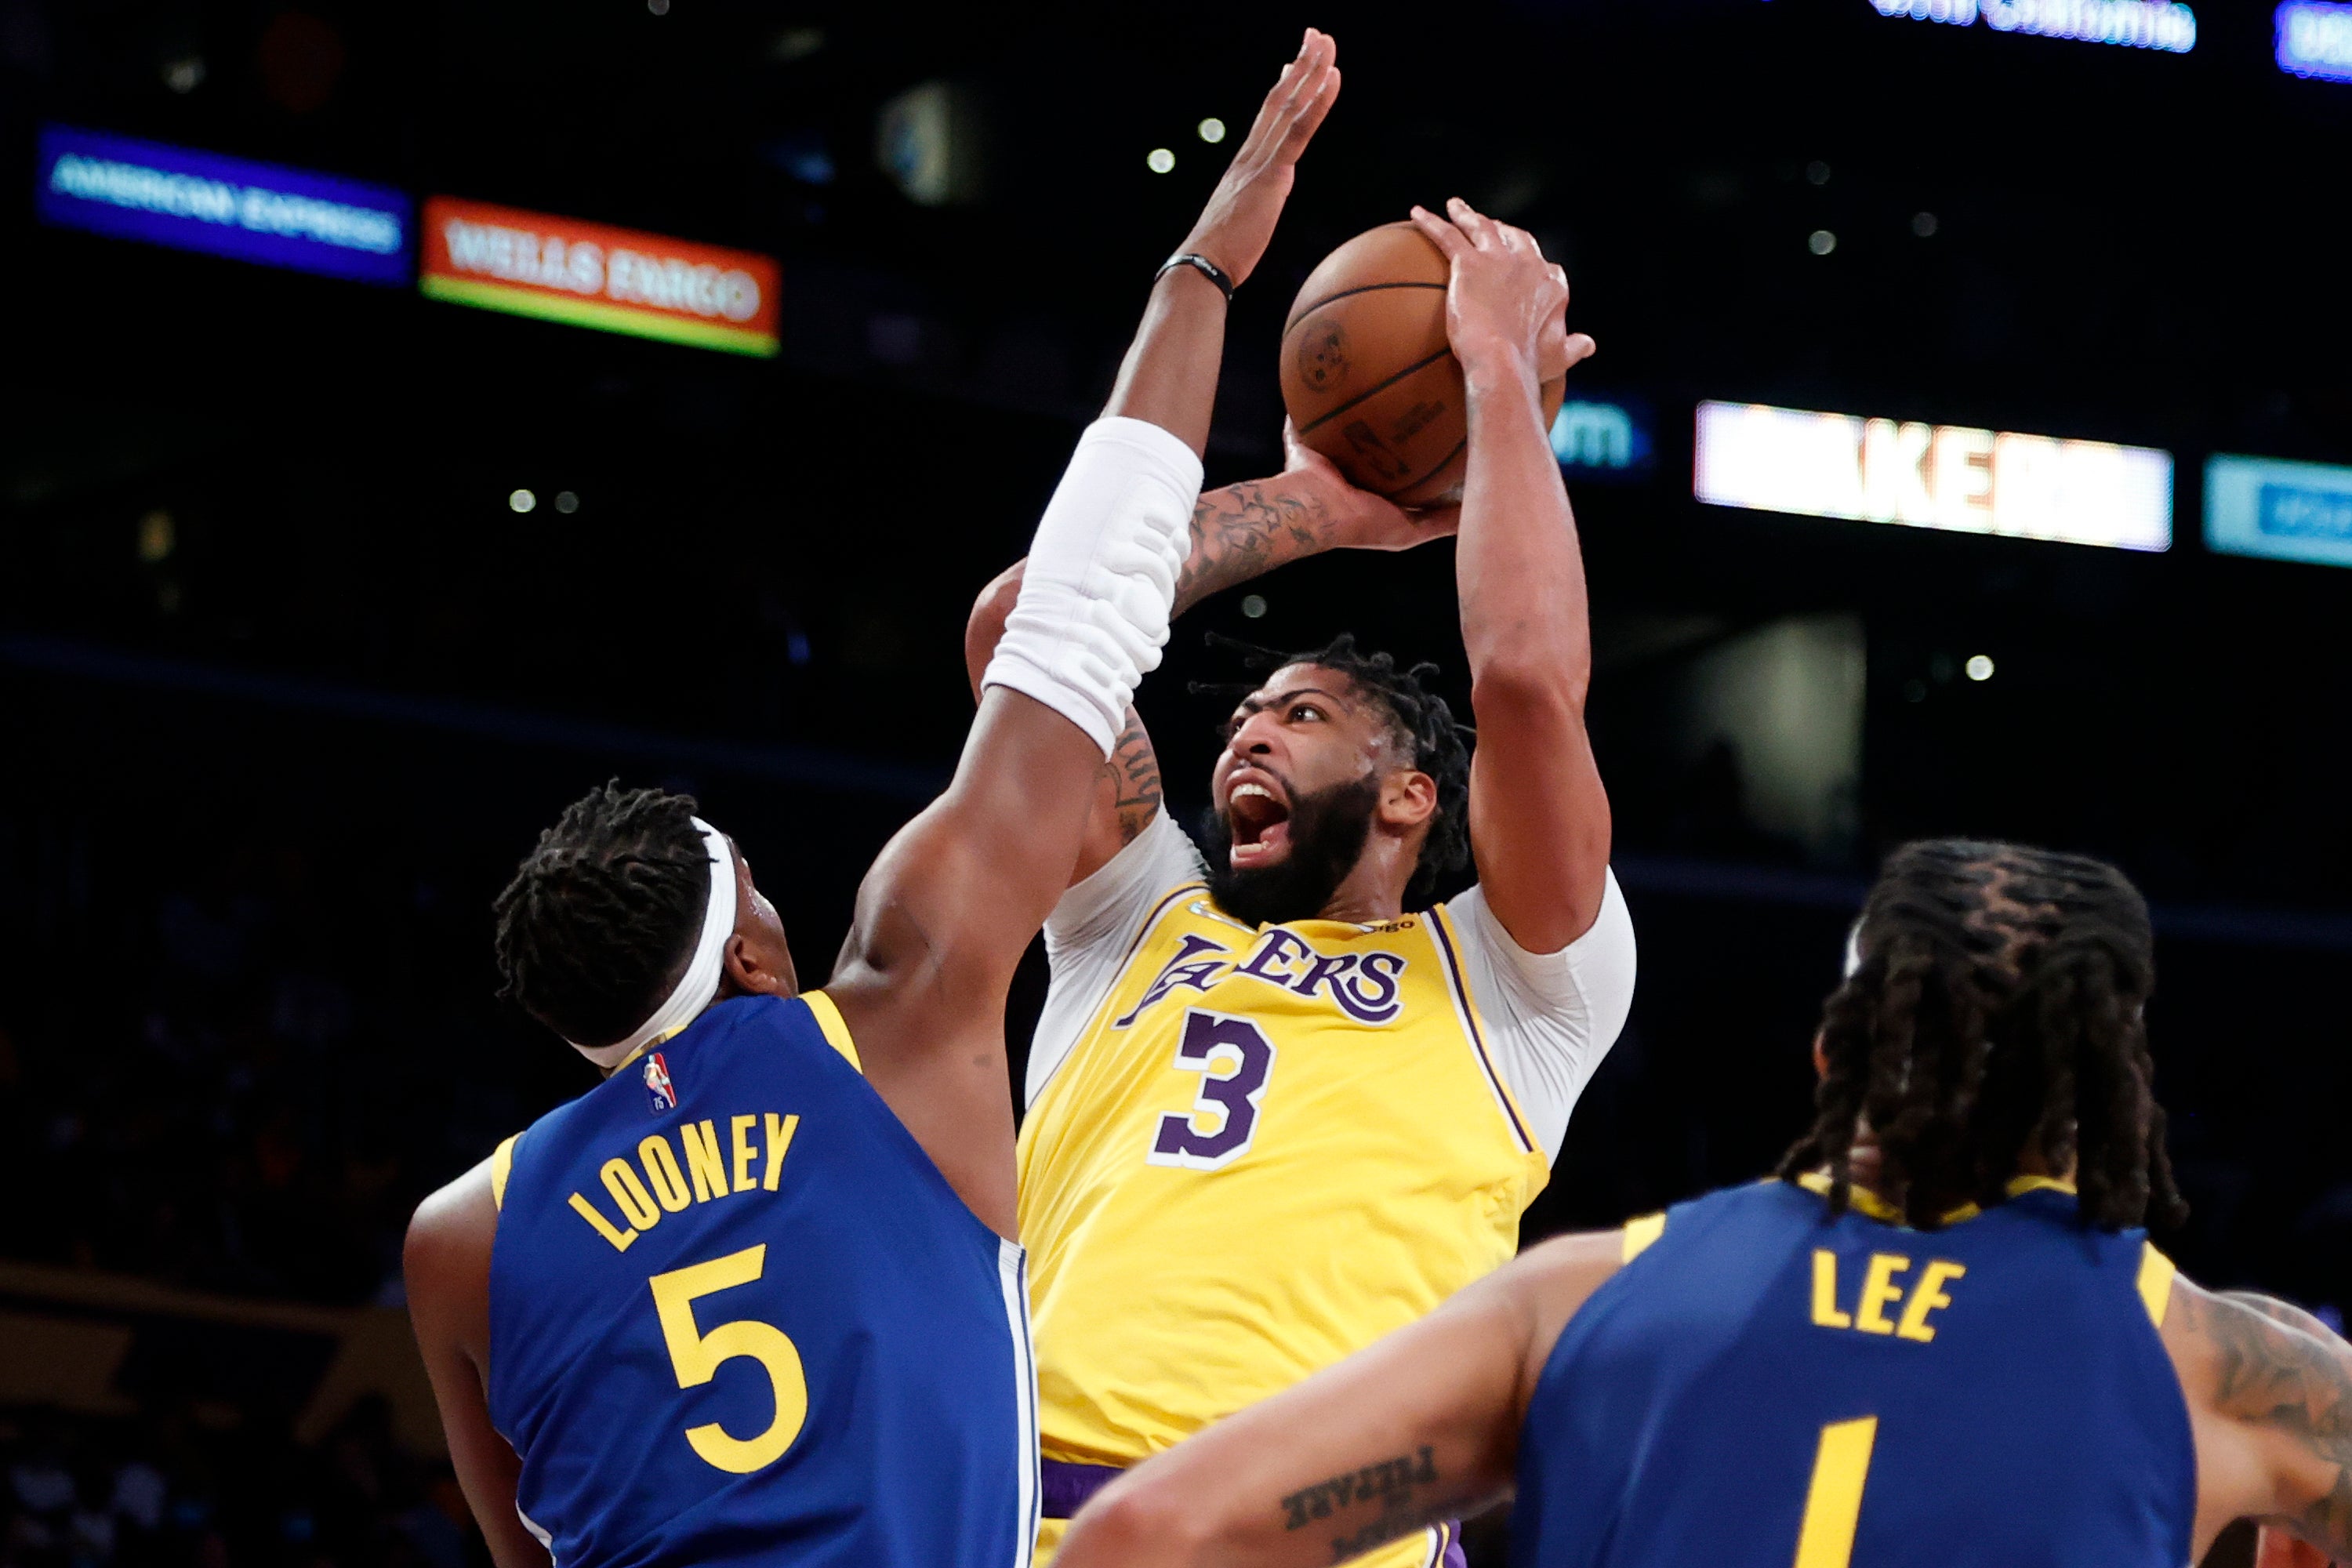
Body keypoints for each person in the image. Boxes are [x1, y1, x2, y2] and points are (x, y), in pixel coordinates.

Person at [398, 31, 1344, 1568]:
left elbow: (532, 1550)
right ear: (753, 954)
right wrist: (1204, 270)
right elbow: (1078, 607)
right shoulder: (898, 1014)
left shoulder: (462, 1238)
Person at [1051, 839, 2352, 1568]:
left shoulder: (1587, 1296)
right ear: (2112, 1089)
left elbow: (1149, 1537)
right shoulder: (2236, 1373)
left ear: (1831, 1054)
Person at [964, 197, 1637, 1568]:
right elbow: (1022, 628)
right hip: (1037, 1519)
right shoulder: (1133, 917)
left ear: (1411, 796)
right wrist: (1316, 511)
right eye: (1243, 717)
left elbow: (1523, 679)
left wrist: (1493, 371)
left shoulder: (1519, 989)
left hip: (1334, 1539)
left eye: (1303, 715)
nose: (1246, 734)